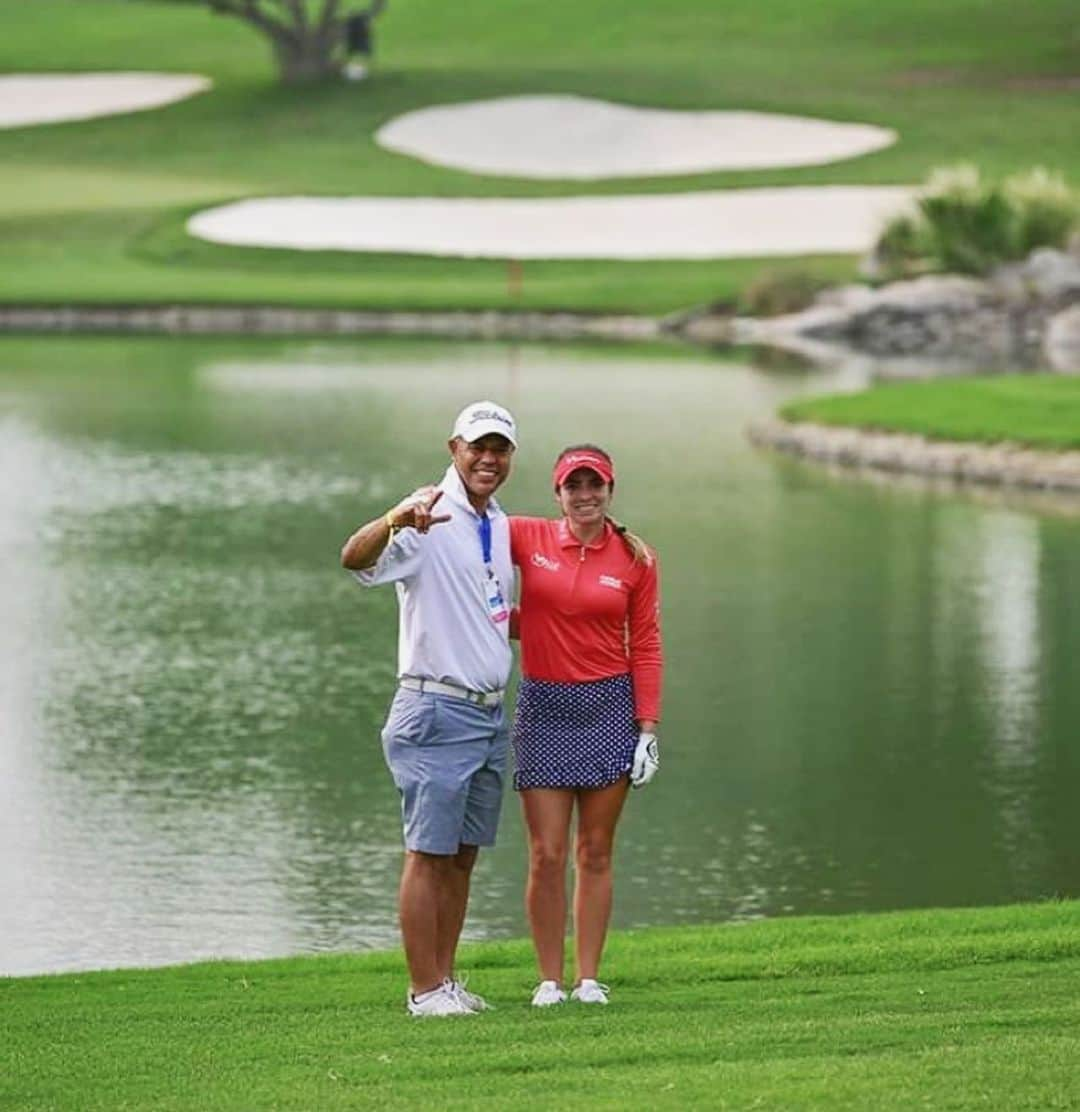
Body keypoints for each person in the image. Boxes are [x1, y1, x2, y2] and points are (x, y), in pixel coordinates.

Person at [341, 400, 517, 1017]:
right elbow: (353, 559)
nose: (488, 459)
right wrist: (394, 518)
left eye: (499, 449)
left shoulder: (494, 522)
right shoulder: (429, 515)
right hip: (435, 709)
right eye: (478, 447)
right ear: (454, 449)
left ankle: (445, 981)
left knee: (462, 856)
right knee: (428, 851)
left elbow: (490, 613)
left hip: (488, 715)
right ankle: (423, 991)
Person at [508, 444, 662, 1007]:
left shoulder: (636, 557)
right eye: (574, 485)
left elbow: (645, 643)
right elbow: (469, 539)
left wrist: (647, 728)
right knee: (547, 852)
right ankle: (550, 979)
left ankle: (589, 978)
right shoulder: (526, 537)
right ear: (558, 494)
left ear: (610, 490)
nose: (585, 495)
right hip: (544, 707)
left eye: (594, 484)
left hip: (609, 707)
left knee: (595, 850)